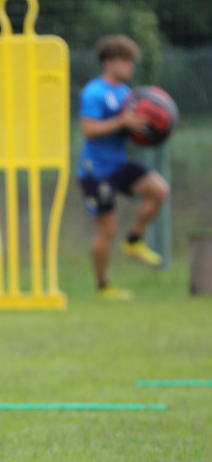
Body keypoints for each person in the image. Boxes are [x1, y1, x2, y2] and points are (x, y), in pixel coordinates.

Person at [77, 34, 170, 301]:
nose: (130, 67)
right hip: (96, 170)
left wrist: (153, 128)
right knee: (107, 229)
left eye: (131, 61)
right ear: (109, 62)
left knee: (159, 190)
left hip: (119, 163)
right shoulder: (93, 92)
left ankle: (134, 241)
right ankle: (103, 286)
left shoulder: (127, 94)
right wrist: (122, 122)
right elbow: (88, 129)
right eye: (125, 61)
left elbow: (137, 123)